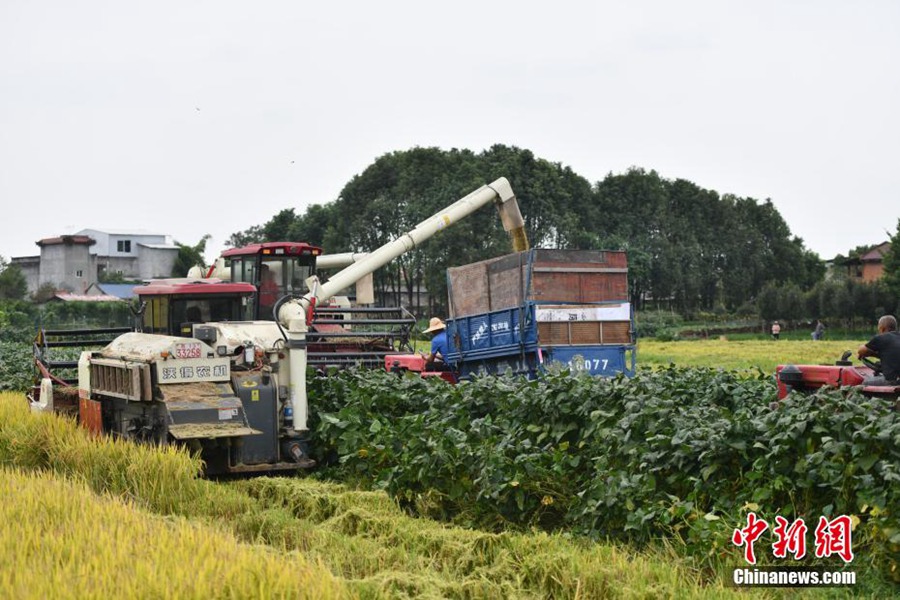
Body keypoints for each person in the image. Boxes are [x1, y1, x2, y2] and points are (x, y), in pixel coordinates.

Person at [857, 315, 900, 385]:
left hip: (892, 381)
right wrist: (876, 355)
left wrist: (869, 353)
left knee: (864, 383)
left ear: (882, 328)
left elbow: (861, 351)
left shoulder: (881, 338)